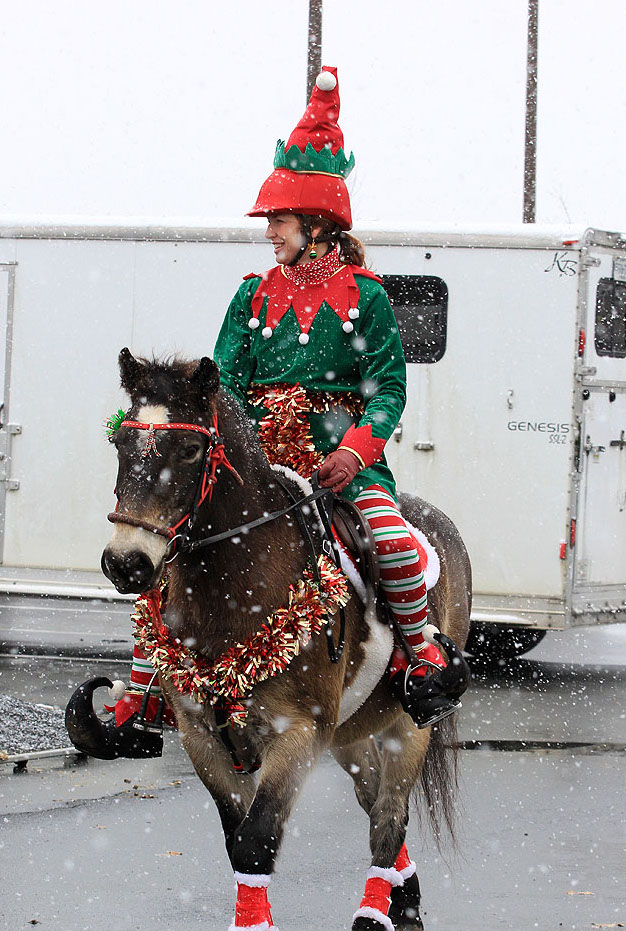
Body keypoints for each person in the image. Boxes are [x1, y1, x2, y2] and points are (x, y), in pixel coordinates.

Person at [108, 67, 460, 730]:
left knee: (394, 541)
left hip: (342, 461)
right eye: (271, 221)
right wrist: (234, 443)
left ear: (318, 226)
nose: (271, 232)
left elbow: (387, 388)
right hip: (253, 457)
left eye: (280, 220)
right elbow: (225, 386)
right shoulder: (252, 296)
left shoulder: (369, 298)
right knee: (168, 538)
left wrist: (355, 455)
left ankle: (422, 659)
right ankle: (146, 687)